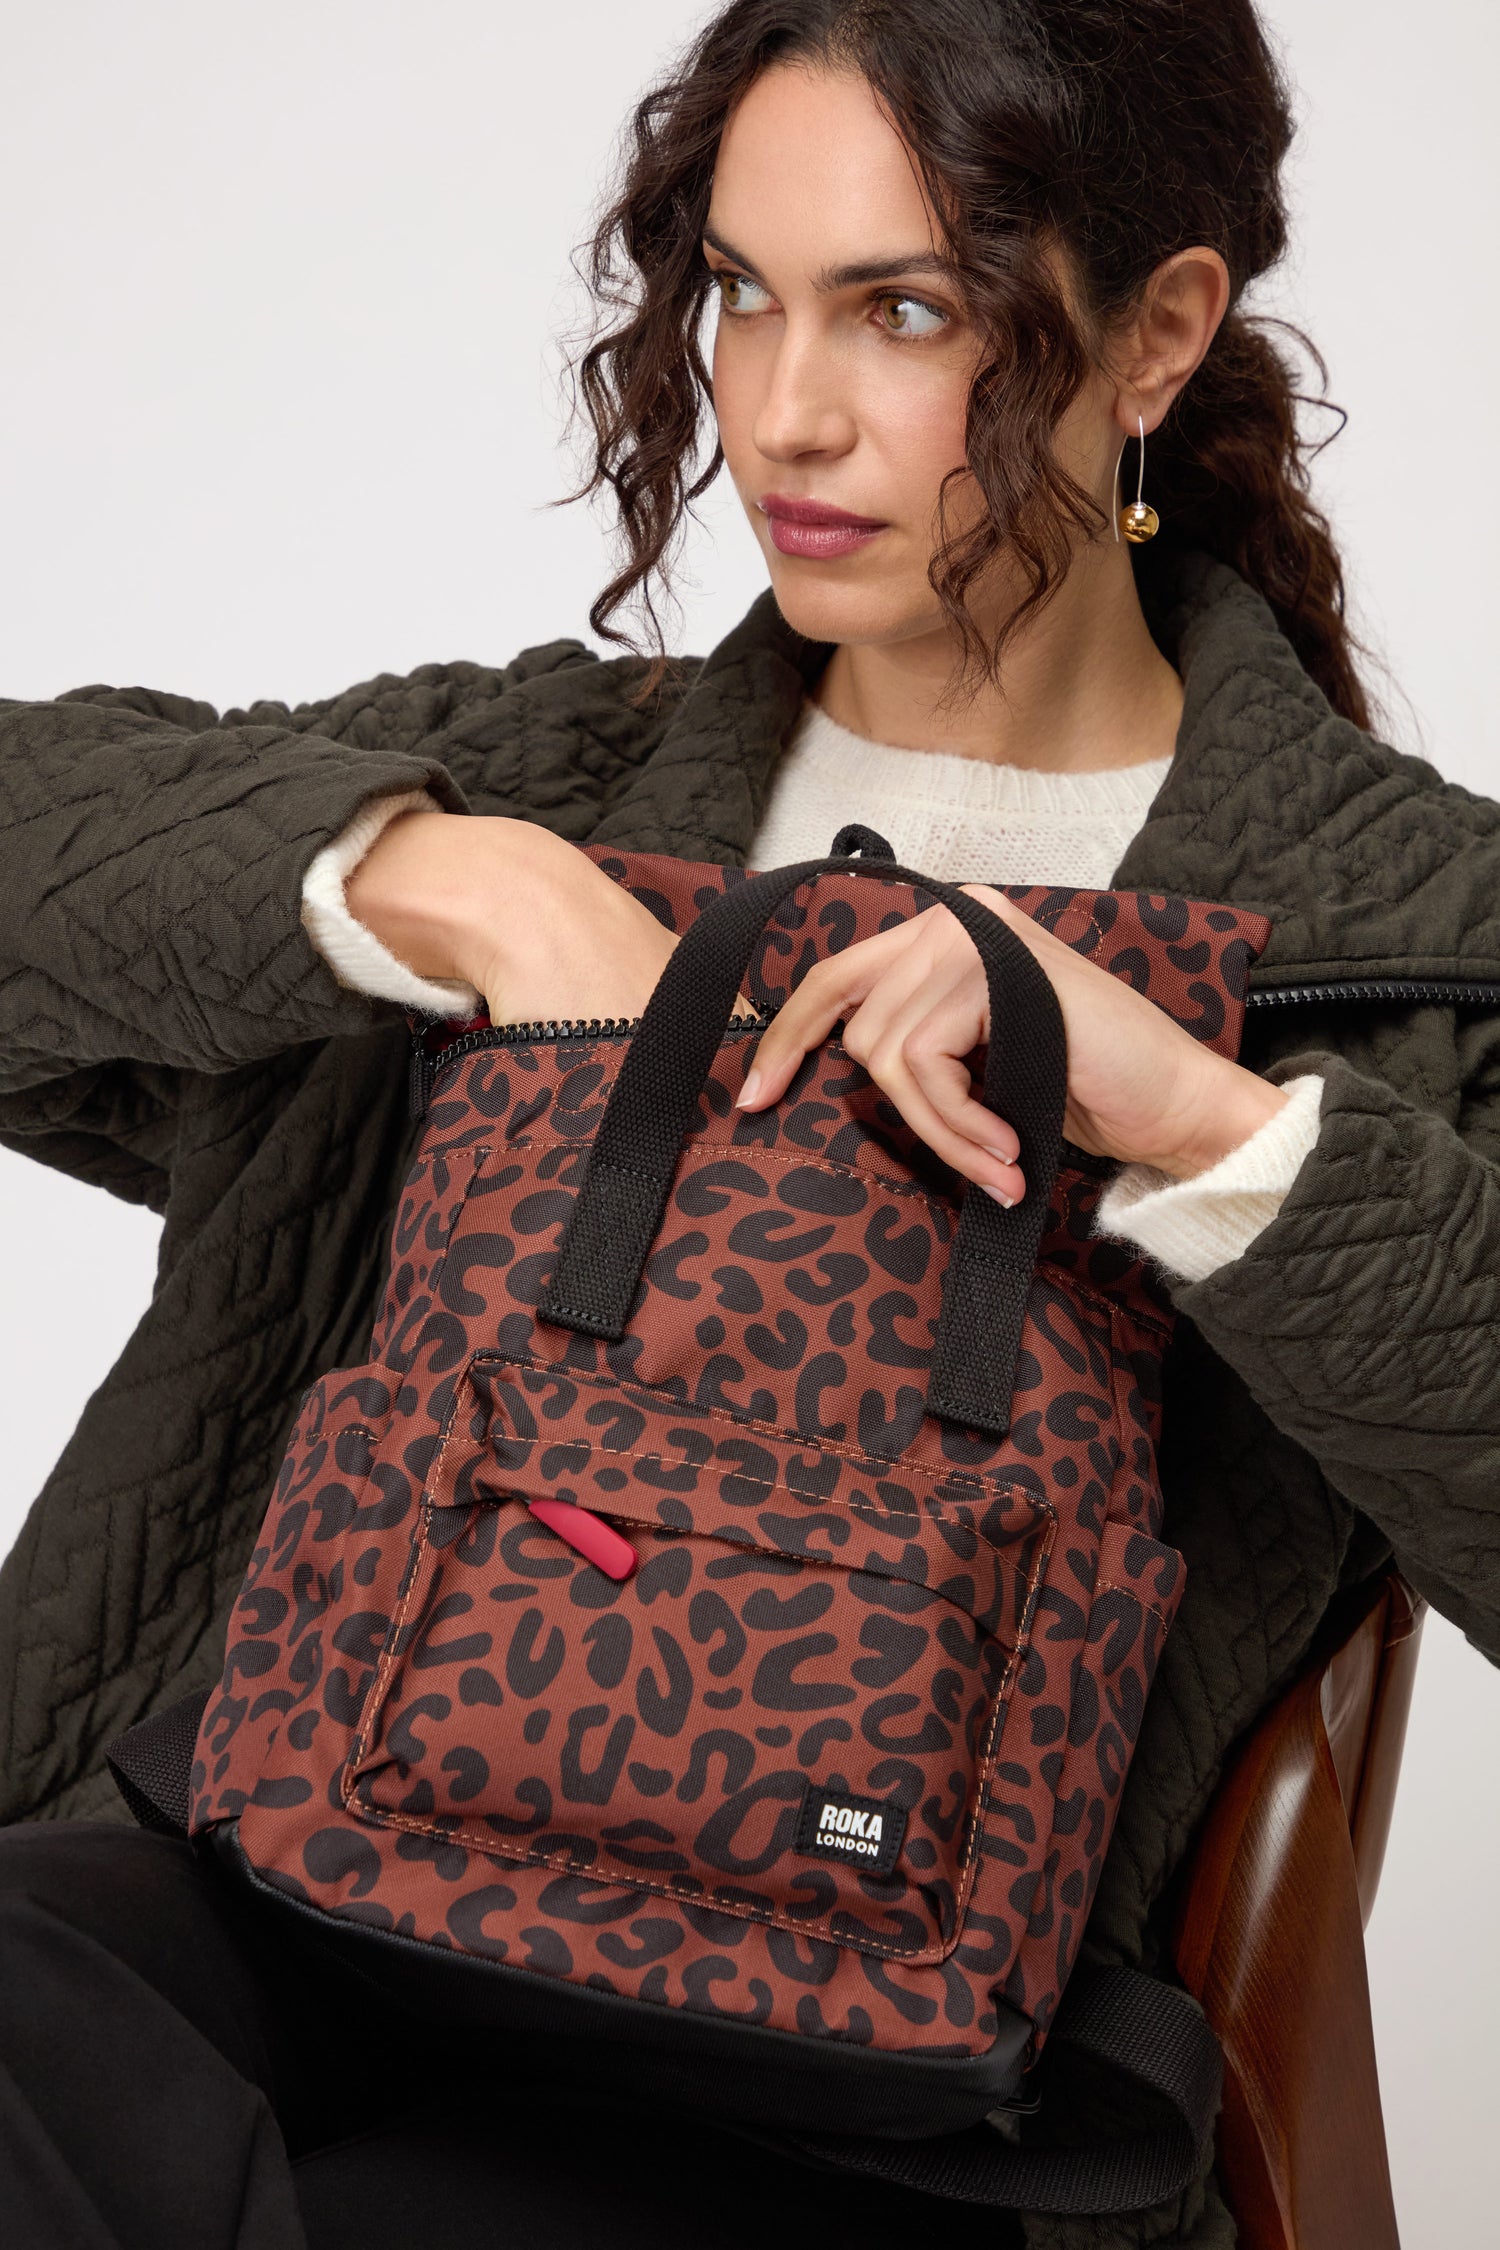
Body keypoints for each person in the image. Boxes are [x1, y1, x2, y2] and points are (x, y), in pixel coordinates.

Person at [2, 2, 1497, 2245]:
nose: (786, 413)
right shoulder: (559, 774)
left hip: (858, 2049)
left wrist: (1199, 1122)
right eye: (739, 292)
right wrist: (457, 883)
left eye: (904, 311)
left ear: (1160, 329)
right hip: (287, 1873)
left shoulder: (1420, 934)